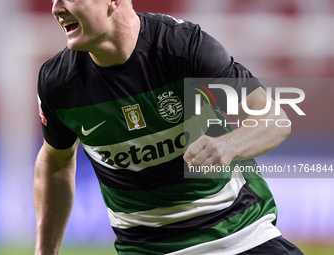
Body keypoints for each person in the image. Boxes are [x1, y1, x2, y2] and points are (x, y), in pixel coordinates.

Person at [34, 0, 304, 254]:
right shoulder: (59, 84)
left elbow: (274, 120)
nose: (56, 8)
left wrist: (228, 145)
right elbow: (55, 160)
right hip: (145, 249)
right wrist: (45, 251)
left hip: (239, 235)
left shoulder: (182, 48)